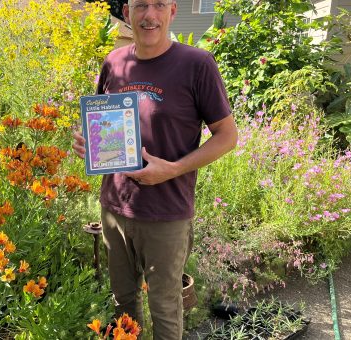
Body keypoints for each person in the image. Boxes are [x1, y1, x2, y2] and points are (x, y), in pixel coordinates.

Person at [72, 1, 238, 339]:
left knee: (165, 308)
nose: (150, 14)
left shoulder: (197, 64)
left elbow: (228, 136)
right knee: (123, 303)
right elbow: (107, 126)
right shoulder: (114, 63)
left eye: (159, 4)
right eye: (141, 5)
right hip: (115, 210)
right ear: (127, 11)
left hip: (166, 215)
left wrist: (173, 169)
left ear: (173, 11)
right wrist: (92, 147)